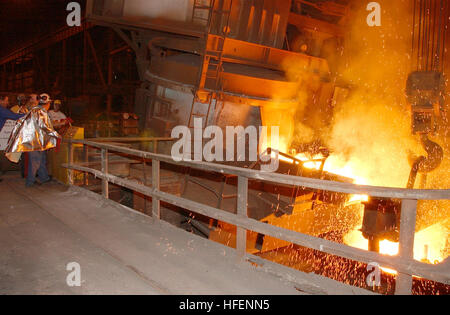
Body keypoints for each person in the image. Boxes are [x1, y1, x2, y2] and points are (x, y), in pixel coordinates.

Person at [25, 93, 53, 187]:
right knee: (35, 161)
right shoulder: (38, 111)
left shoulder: (39, 111)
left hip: (40, 140)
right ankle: (30, 182)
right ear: (48, 103)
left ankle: (44, 177)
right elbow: (46, 127)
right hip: (35, 140)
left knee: (41, 160)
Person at [0, 96, 25, 183]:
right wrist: (29, 114)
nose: (7, 103)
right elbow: (14, 116)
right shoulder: (1, 110)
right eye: (6, 101)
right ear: (1, 100)